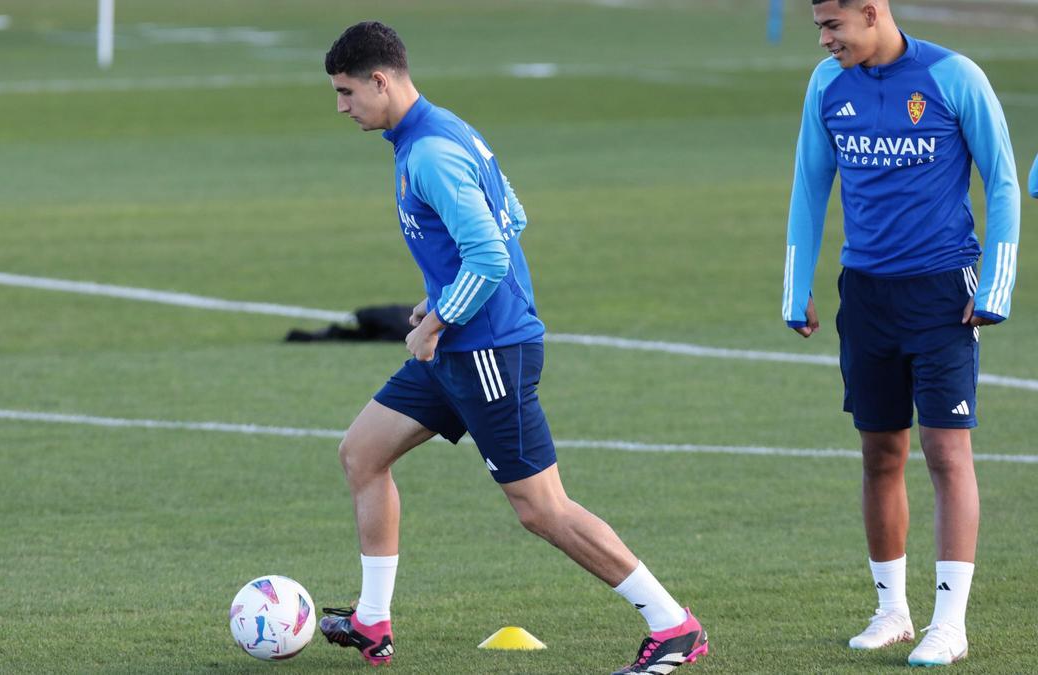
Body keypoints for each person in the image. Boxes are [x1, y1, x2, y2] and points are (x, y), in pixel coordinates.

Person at [320, 21, 707, 674]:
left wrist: (439, 316)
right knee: (362, 452)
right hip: (457, 353)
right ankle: (373, 621)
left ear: (380, 81)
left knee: (541, 508)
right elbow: (514, 213)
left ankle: (674, 624)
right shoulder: (443, 131)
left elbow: (492, 253)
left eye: (346, 92)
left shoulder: (431, 152)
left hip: (488, 352)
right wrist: (439, 298)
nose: (341, 107)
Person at [783, 0, 1021, 667]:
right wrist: (795, 286)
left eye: (834, 25)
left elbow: (1001, 180)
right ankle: (892, 610)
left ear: (872, 11)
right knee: (880, 454)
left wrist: (996, 286)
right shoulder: (826, 86)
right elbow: (809, 186)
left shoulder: (954, 77)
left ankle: (950, 623)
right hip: (865, 296)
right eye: (819, 28)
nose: (826, 40)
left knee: (947, 455)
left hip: (944, 293)